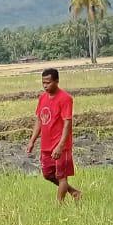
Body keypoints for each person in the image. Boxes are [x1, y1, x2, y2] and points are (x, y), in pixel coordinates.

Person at [26, 67, 81, 204]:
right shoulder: (42, 98)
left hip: (61, 145)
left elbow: (67, 123)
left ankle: (59, 205)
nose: (45, 86)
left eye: (48, 82)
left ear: (56, 81)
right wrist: (32, 140)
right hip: (46, 144)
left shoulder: (65, 99)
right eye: (43, 83)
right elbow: (39, 120)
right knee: (48, 174)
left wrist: (61, 146)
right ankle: (74, 192)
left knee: (62, 176)